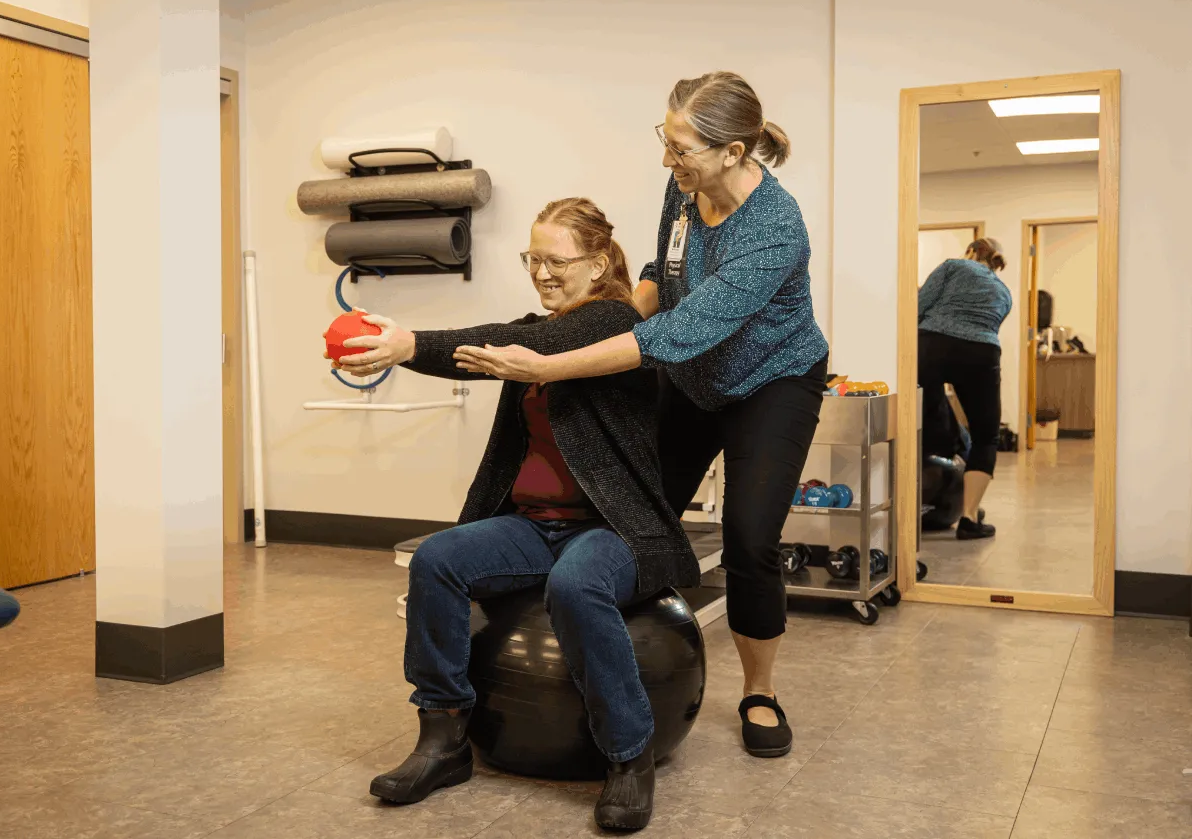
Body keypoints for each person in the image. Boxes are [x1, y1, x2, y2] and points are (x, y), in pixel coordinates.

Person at [450, 72, 828, 760]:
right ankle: (590, 621)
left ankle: (760, 690)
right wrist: (618, 305)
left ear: (735, 152)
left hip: (771, 380)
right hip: (693, 376)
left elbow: (679, 333)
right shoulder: (684, 188)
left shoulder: (776, 228)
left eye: (682, 149)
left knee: (748, 538)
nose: (667, 159)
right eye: (668, 140)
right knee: (627, 501)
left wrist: (546, 366)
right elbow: (667, 272)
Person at [333, 198, 699, 832]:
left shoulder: (609, 323)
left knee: (576, 584)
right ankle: (444, 738)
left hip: (610, 528)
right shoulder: (541, 328)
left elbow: (530, 342)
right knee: (439, 560)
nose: (542, 272)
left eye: (557, 260)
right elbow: (514, 339)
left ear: (599, 261)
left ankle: (628, 758)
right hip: (533, 525)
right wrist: (404, 345)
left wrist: (409, 344)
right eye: (533, 258)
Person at [917, 236, 1012, 539]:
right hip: (982, 352)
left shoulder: (953, 266)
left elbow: (919, 306)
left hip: (932, 344)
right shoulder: (1004, 292)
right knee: (987, 436)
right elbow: (990, 329)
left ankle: (908, 509)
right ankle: (970, 518)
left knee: (914, 424)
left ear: (971, 251)